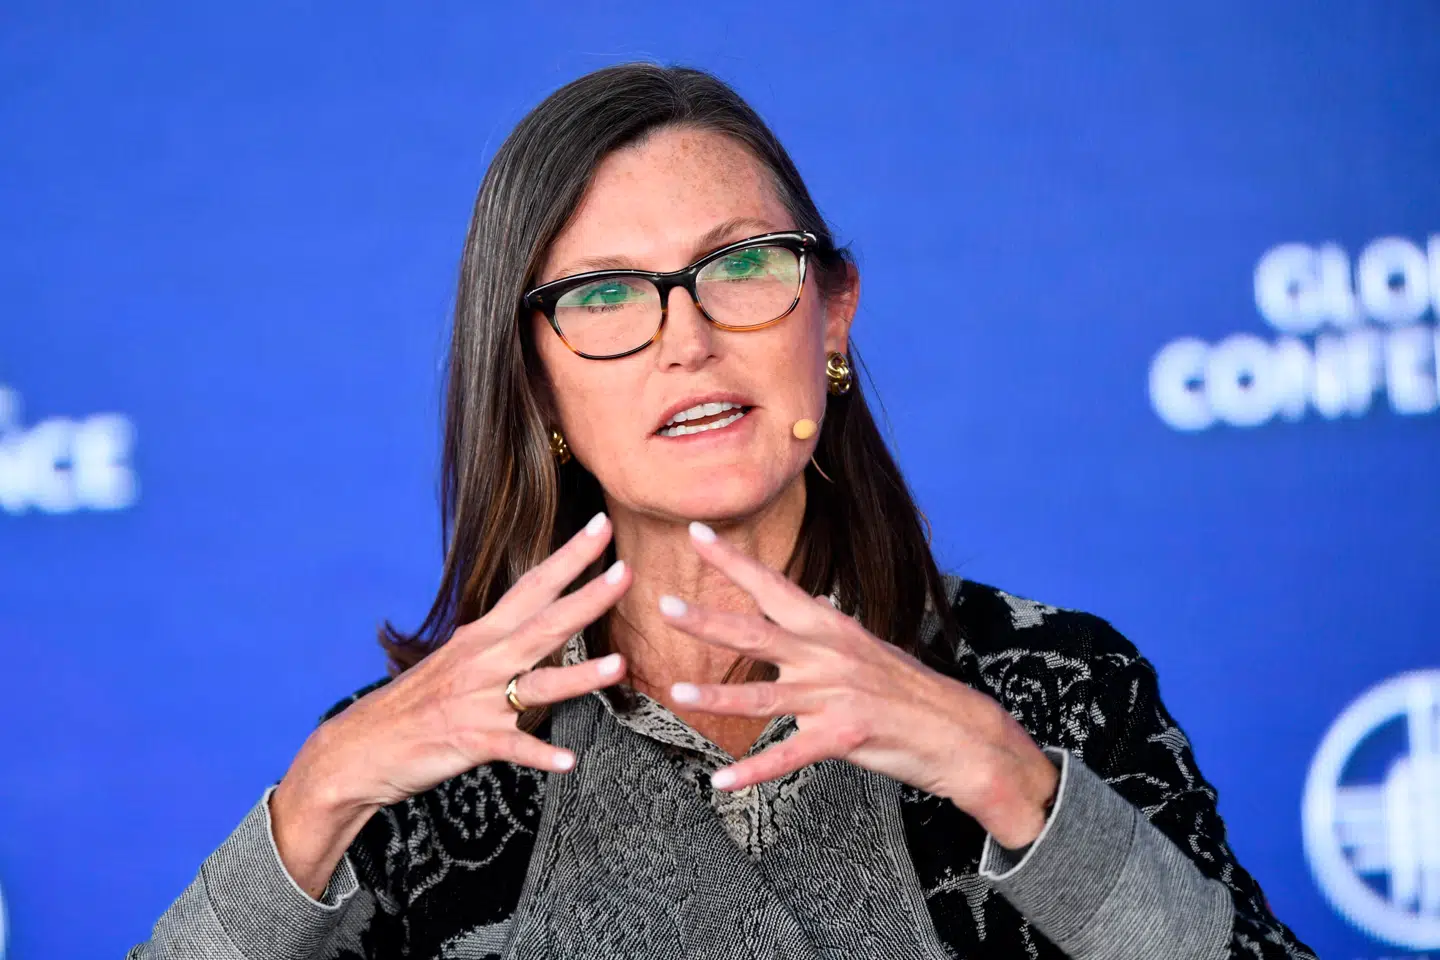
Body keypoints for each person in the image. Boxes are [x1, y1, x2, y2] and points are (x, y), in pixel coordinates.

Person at [130, 62, 1316, 960]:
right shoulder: (425, 766)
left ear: (834, 316)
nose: (689, 339)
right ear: (535, 380)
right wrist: (319, 796)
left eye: (743, 267)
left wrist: (1010, 781)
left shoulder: (1057, 689)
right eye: (605, 294)